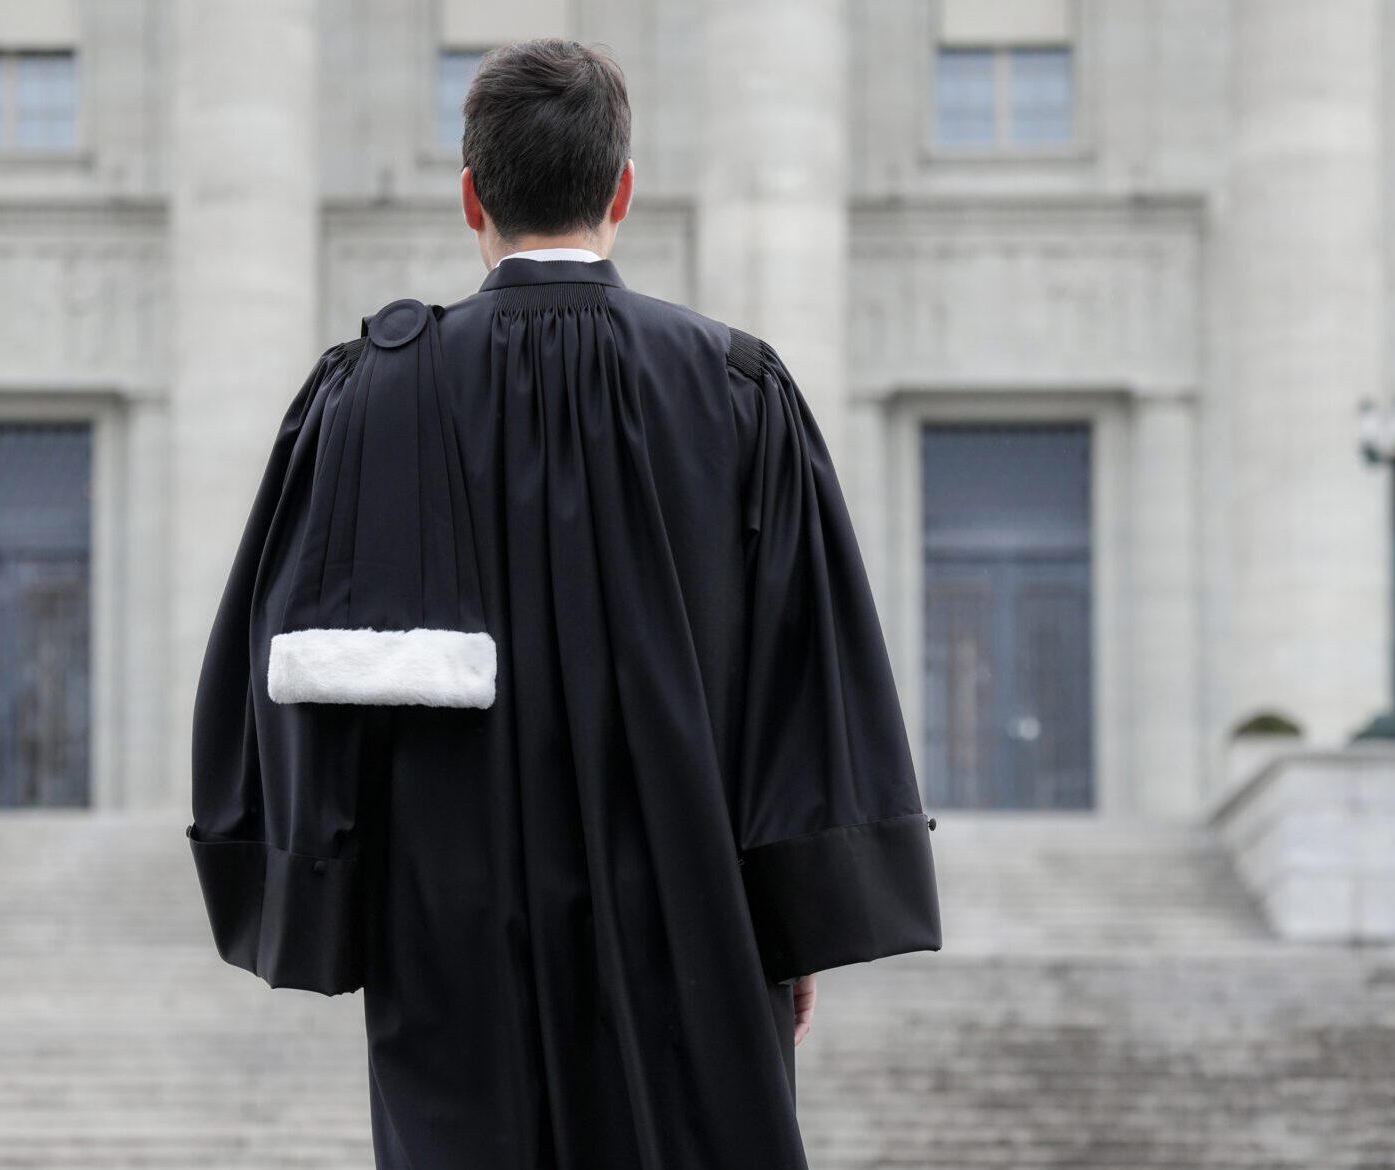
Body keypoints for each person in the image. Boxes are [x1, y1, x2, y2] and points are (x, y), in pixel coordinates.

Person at [186, 35, 941, 1170]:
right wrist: (795, 918)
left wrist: (326, 899)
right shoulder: (738, 391)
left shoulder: (365, 398)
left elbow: (282, 669)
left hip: (446, 949)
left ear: (470, 198)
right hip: (693, 929)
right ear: (622, 190)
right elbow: (807, 679)